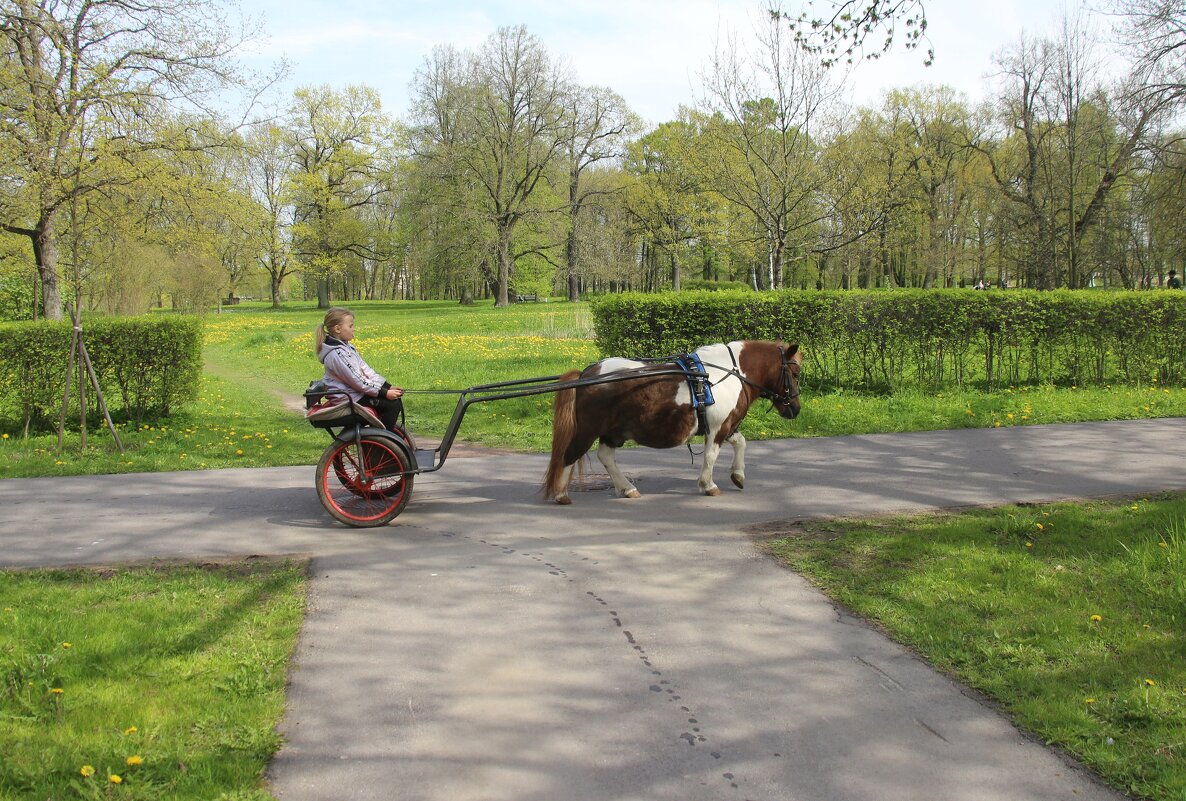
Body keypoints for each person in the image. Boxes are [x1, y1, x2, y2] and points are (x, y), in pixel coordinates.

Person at [315, 307, 404, 430]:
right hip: (348, 398)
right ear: (337, 329)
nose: (354, 329)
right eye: (351, 326)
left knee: (393, 401)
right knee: (392, 405)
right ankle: (379, 445)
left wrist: (387, 386)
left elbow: (366, 370)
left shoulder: (347, 348)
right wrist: (384, 393)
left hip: (355, 394)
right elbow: (357, 381)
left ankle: (380, 438)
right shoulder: (337, 354)